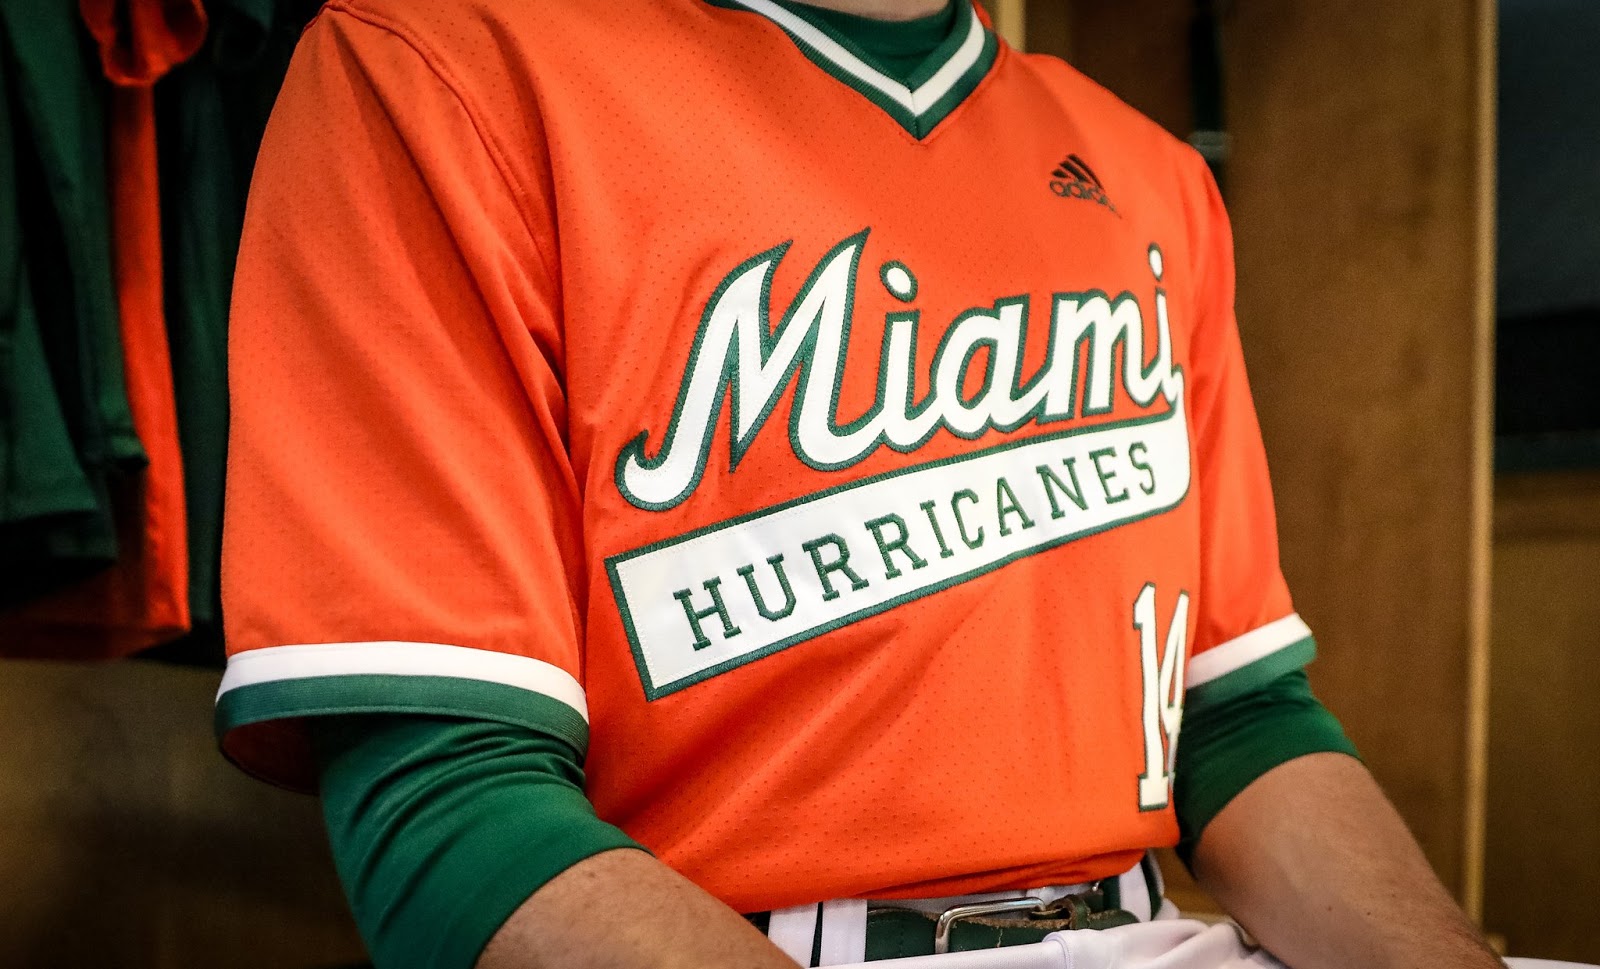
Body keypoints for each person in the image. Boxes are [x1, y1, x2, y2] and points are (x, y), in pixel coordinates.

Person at [214, 1, 1511, 967]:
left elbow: (1238, 721)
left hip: (1154, 930)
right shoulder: (437, 68)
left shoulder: (1154, 174)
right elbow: (448, 804)